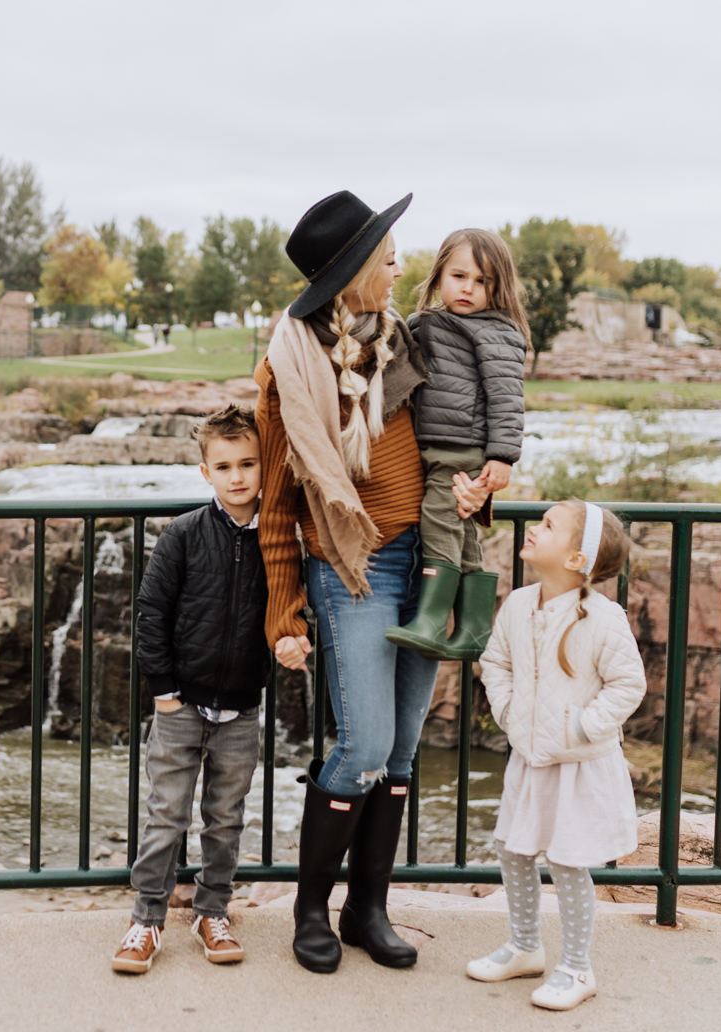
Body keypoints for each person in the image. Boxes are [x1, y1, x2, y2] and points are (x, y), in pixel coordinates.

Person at [257, 190, 489, 975]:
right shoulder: (288, 368)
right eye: (386, 256)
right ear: (352, 271)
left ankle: (368, 909)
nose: (399, 268)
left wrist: (475, 497)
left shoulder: (404, 347)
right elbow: (277, 506)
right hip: (350, 567)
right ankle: (310, 911)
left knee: (401, 751)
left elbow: (452, 446)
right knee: (362, 745)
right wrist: (284, 610)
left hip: (425, 559)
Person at [466, 500, 645, 1011]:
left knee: (568, 862)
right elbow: (495, 661)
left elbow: (629, 683)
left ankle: (576, 968)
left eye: (548, 526)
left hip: (579, 764)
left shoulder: (605, 619)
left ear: (575, 559)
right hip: (529, 756)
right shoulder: (520, 603)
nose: (535, 529)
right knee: (513, 849)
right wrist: (506, 710)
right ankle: (525, 947)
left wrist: (584, 726)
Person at [111, 405, 268, 974]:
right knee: (166, 814)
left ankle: (212, 909)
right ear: (206, 472)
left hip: (242, 707)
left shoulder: (276, 540)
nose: (238, 476)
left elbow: (291, 612)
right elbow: (151, 611)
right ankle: (146, 918)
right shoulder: (182, 534)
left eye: (248, 463)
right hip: (180, 704)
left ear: (263, 466)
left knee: (226, 817)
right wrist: (164, 690)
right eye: (224, 466)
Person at [386, 230, 528, 660]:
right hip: (431, 443)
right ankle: (473, 630)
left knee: (439, 519)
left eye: (481, 281)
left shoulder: (497, 333)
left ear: (497, 287)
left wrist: (502, 456)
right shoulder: (423, 323)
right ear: (438, 276)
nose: (467, 288)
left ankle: (430, 620)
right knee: (465, 536)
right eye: (459, 275)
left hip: (460, 445)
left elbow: (507, 399)